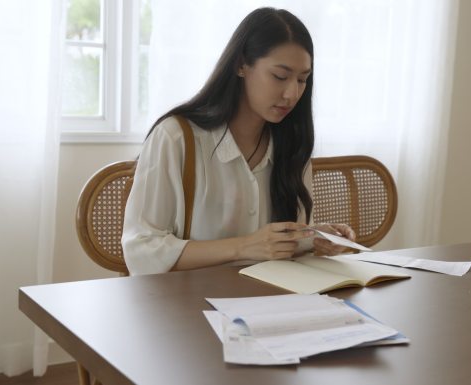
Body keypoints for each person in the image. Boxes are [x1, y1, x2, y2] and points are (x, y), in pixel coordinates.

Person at [122, 7, 355, 275]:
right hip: (189, 304)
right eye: (280, 76)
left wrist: (313, 239)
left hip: (269, 303)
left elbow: (277, 246)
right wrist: (244, 247)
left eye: (302, 80)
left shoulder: (292, 142)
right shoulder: (175, 137)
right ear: (241, 64)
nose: (292, 94)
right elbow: (141, 249)